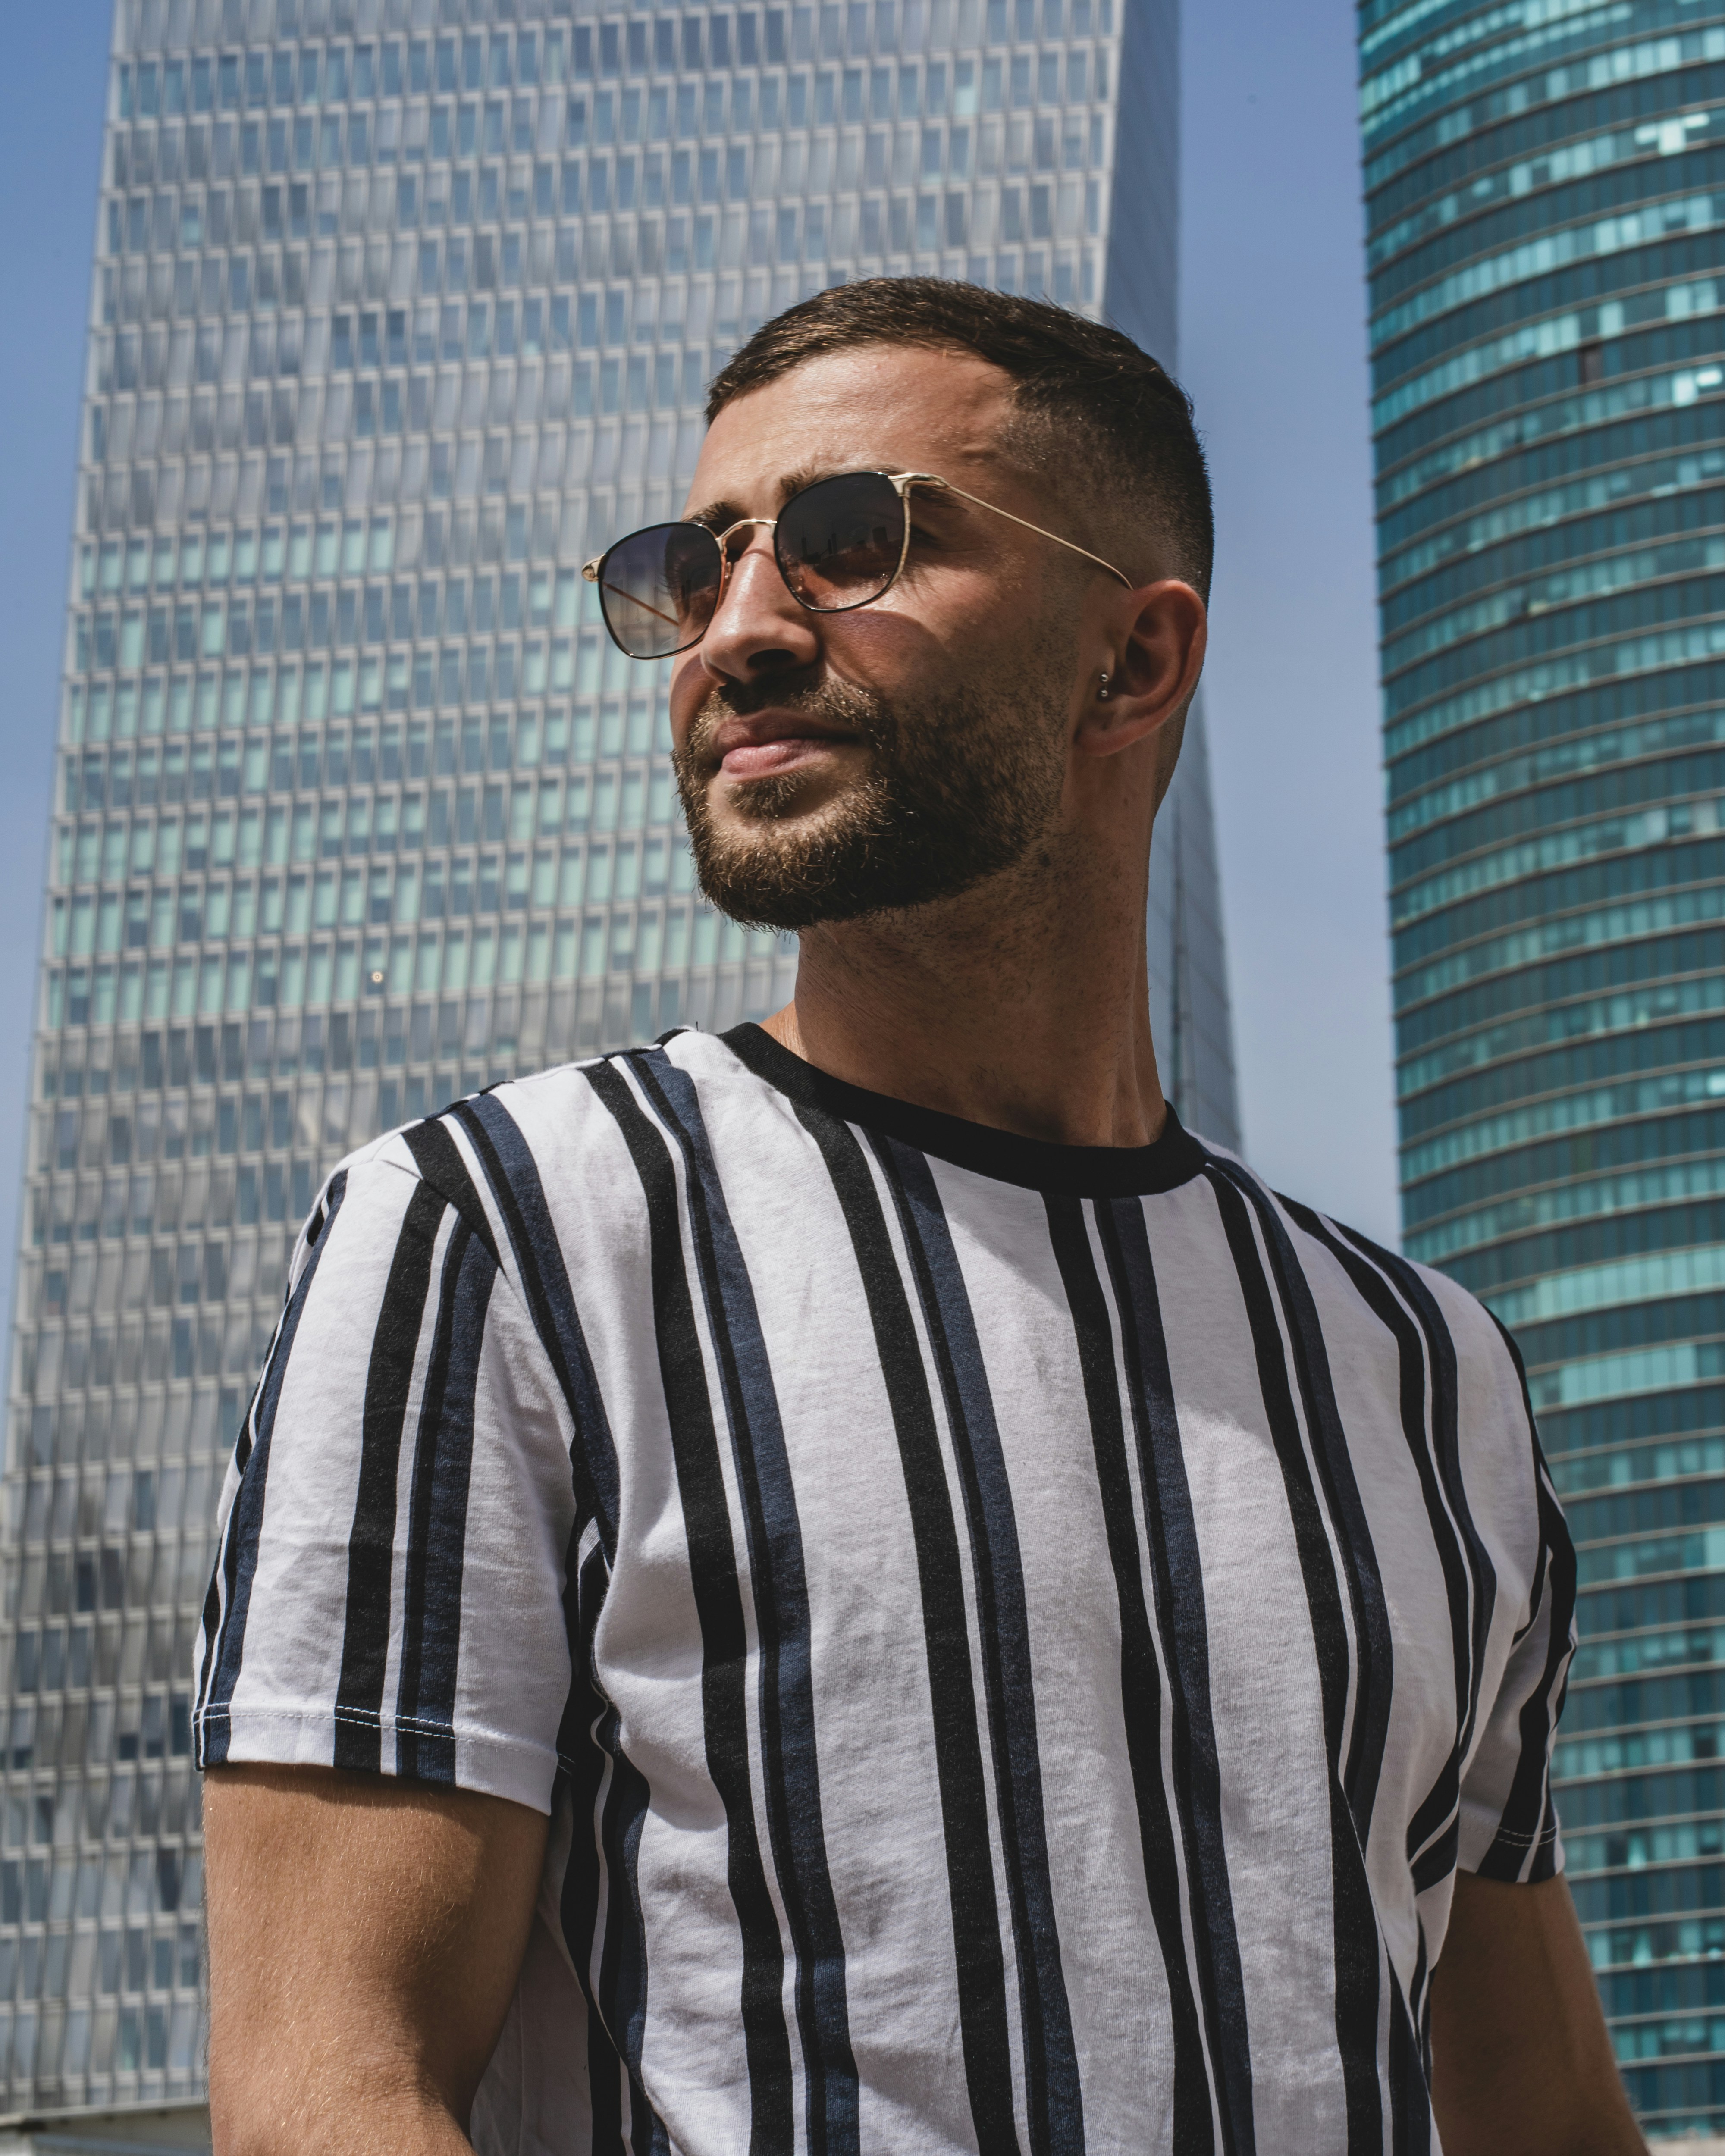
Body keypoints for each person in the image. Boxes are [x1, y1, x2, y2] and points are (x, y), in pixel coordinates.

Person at [197, 279, 1643, 2156]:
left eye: (846, 542)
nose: (736, 628)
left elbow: (1536, 2114)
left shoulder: (1423, 1369)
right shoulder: (495, 1233)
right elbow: (329, 2089)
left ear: (1131, 662)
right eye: (694, 564)